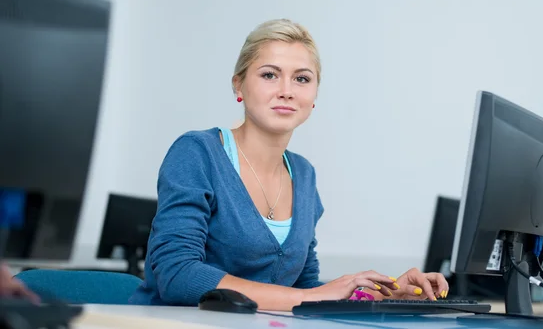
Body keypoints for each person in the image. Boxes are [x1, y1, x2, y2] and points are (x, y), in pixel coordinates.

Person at [129, 19, 449, 310]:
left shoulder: (304, 175)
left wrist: (386, 294)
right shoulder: (198, 152)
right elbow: (177, 275)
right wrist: (308, 297)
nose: (286, 91)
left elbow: (306, 288)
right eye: (269, 75)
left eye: (301, 79)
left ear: (314, 95)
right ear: (238, 85)